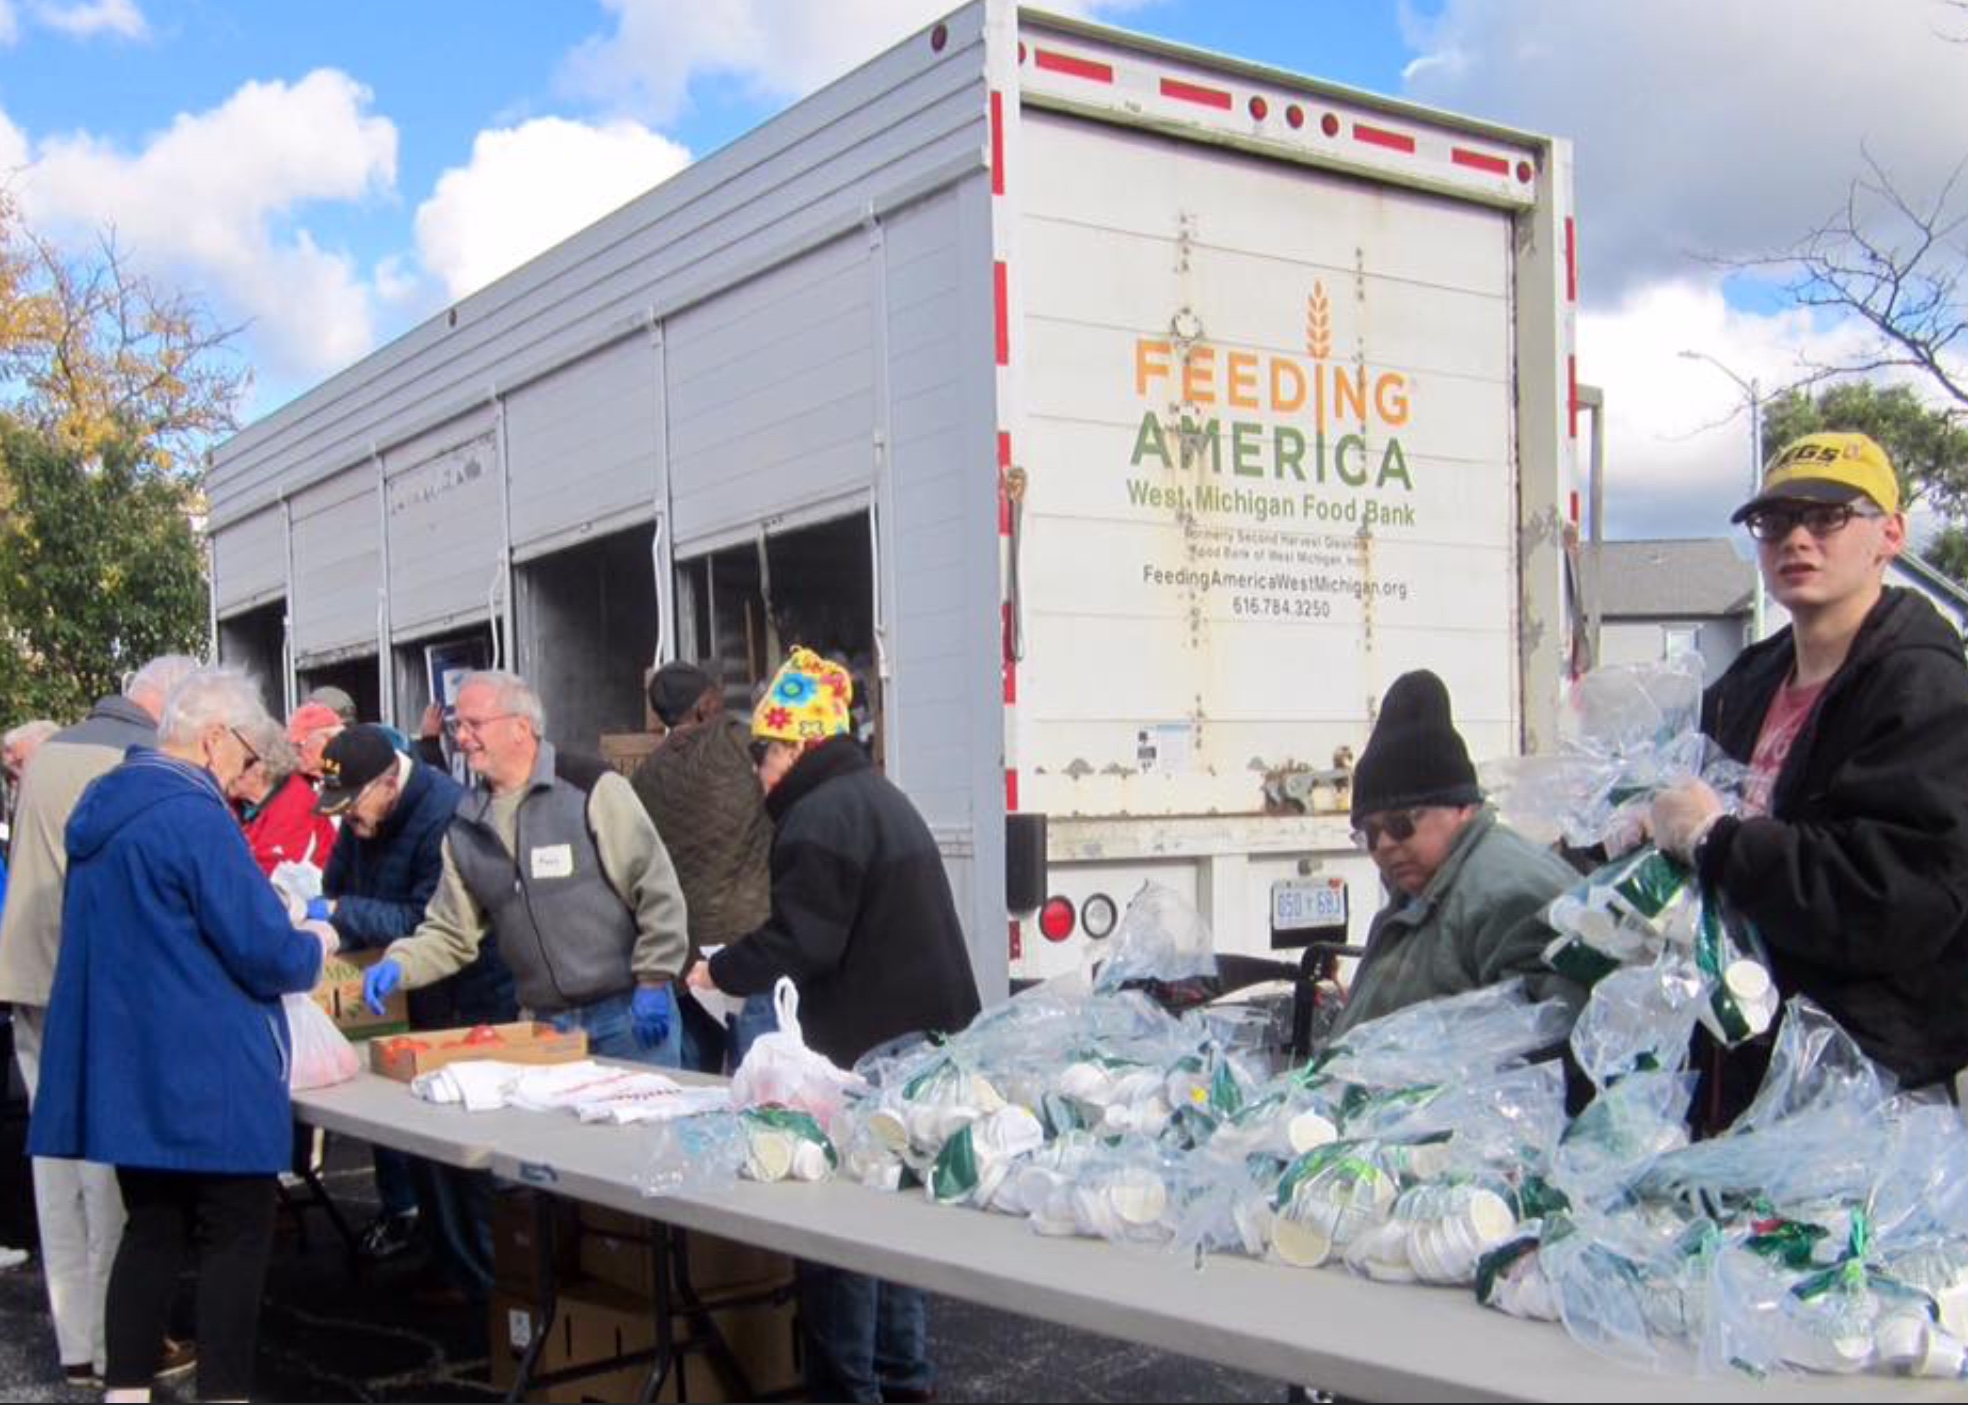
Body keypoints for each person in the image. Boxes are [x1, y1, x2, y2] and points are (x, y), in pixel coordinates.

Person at [28, 667, 335, 1405]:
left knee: (153, 1232)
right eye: (245, 751)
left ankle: (124, 1391)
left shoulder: (105, 803)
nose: (246, 770)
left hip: (134, 1067)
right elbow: (262, 947)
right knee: (237, 1236)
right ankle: (225, 1393)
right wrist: (315, 942)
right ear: (211, 738)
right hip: (207, 1071)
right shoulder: (194, 815)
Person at [1650, 431, 1968, 1132]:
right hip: (1741, 1068)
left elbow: (1895, 896)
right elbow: (1687, 796)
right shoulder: (1749, 679)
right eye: (1775, 521)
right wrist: (1642, 824)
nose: (1797, 538)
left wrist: (1714, 839)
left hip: (1865, 1097)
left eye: (1827, 518)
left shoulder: (1926, 687)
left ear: (1890, 534)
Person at [688, 646, 981, 1405]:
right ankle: (905, 1379)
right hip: (922, 1038)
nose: (759, 774)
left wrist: (718, 971)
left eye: (765, 755)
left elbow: (803, 940)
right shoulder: (876, 794)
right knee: (893, 1221)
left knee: (842, 1228)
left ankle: (849, 1387)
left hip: (866, 1049)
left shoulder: (819, 814)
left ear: (798, 747)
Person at [0, 654, 201, 1389]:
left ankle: (78, 1343)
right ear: (168, 703)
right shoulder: (133, 757)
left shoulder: (51, 750)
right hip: (90, 984)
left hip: (27, 977)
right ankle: (128, 1345)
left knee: (55, 1169)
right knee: (109, 1173)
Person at [362, 670, 690, 1067]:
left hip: (627, 1015)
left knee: (645, 1130)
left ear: (521, 727)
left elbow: (655, 886)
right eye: (455, 726)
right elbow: (452, 931)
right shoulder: (465, 825)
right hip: (545, 1029)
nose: (461, 738)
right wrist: (401, 964)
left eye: (474, 724)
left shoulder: (590, 789)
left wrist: (655, 977)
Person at [316, 725, 516, 1291]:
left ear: (386, 783)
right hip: (408, 1000)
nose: (347, 821)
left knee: (463, 1156)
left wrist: (339, 908)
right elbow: (337, 883)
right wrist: (326, 910)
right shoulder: (363, 813)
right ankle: (444, 1259)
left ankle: (484, 1283)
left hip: (466, 997)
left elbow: (426, 922)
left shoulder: (444, 814)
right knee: (421, 1147)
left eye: (352, 808)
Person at [1326, 670, 1581, 1041]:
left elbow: (1543, 1049)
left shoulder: (1509, 895)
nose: (1383, 845)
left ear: (1462, 807)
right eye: (1370, 832)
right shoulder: (1427, 892)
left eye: (1400, 824)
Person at [630, 662, 774, 1071]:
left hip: (684, 959)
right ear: (706, 704)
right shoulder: (741, 747)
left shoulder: (645, 777)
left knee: (696, 1093)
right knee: (764, 1091)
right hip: (749, 950)